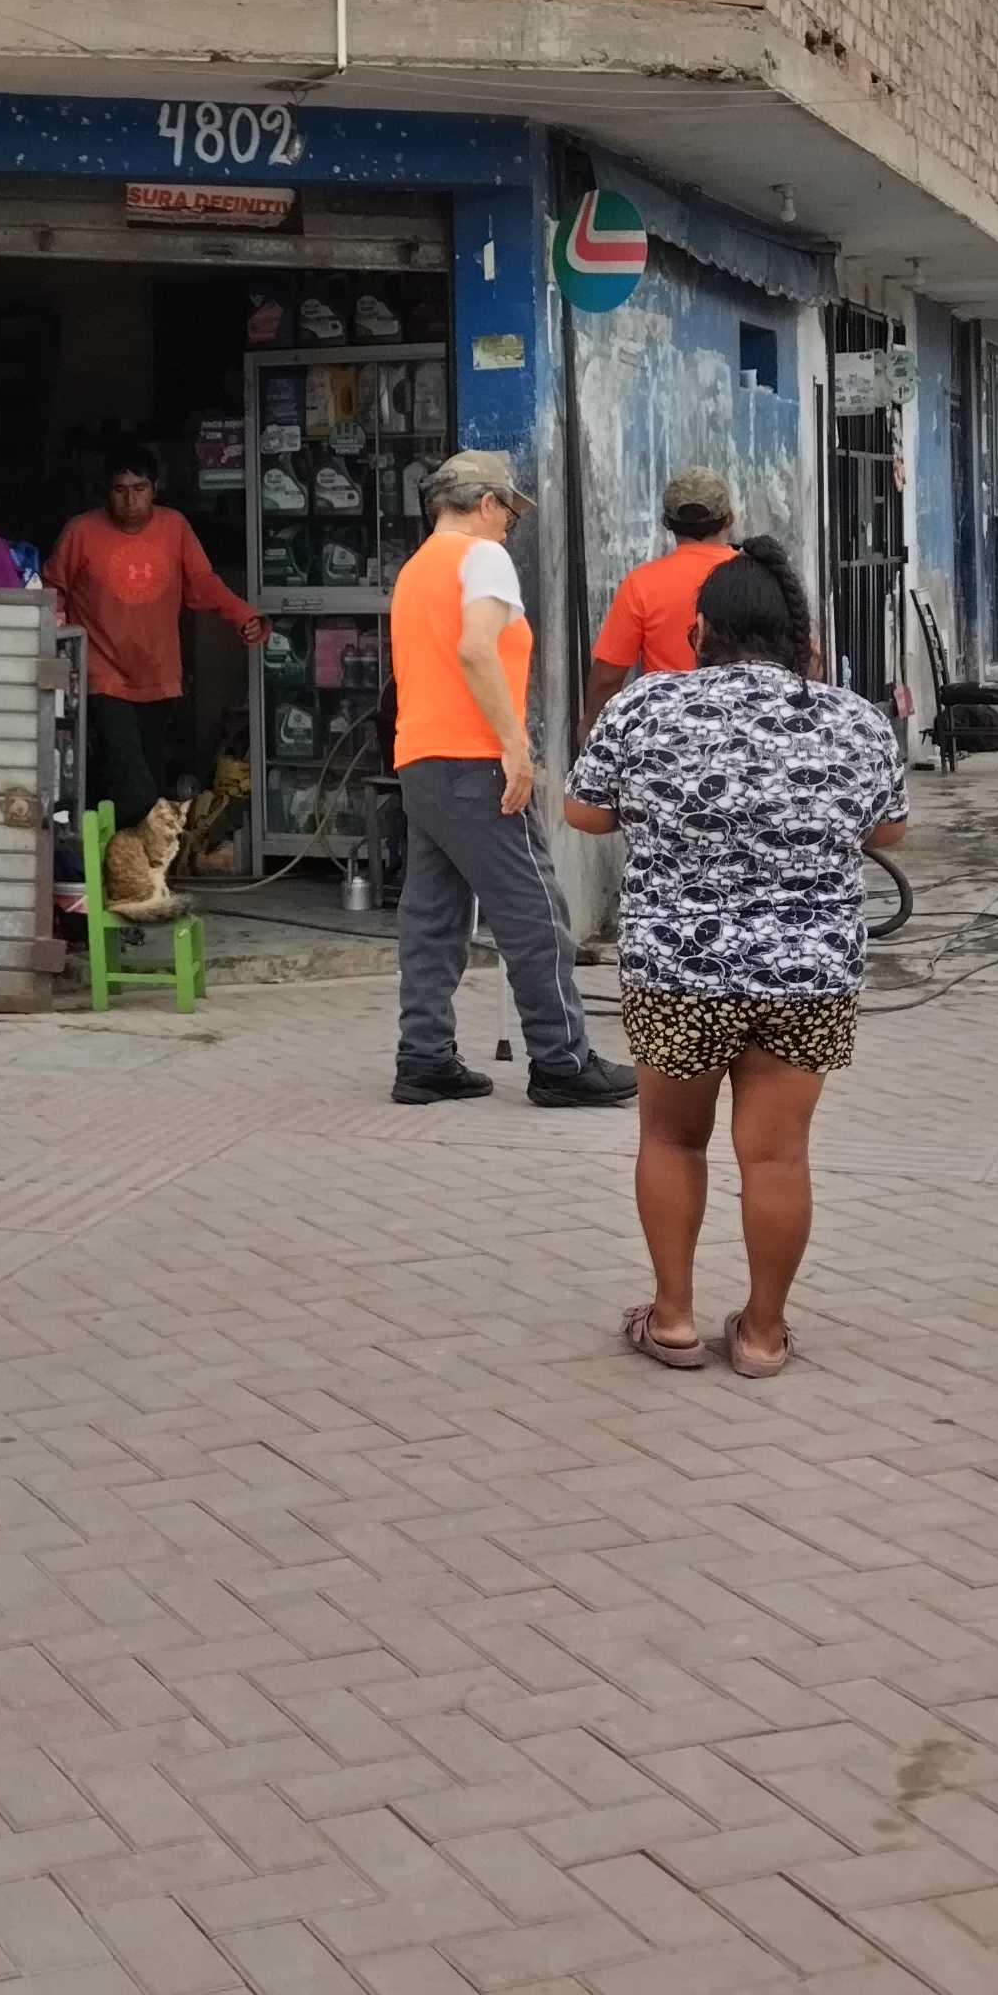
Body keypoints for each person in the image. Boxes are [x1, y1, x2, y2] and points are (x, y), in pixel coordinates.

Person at [563, 535, 908, 1378]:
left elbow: (585, 814)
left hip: (679, 969)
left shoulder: (646, 706)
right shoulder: (853, 719)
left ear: (700, 632)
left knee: (671, 1139)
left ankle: (674, 1319)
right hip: (808, 974)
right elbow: (889, 830)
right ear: (801, 638)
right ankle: (762, 1334)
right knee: (777, 1155)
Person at [388, 451, 635, 1110]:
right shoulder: (483, 558)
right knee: (534, 913)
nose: (509, 526)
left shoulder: (415, 571)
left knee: (432, 917)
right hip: (476, 761)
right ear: (487, 503)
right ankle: (562, 1060)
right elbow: (475, 649)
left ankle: (425, 1057)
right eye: (509, 513)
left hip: (420, 759)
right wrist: (515, 745)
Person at [49, 438, 266, 835]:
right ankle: (145, 850)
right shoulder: (81, 532)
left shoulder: (174, 527)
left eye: (139, 489)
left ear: (155, 487)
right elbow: (52, 589)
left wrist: (243, 615)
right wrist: (57, 635)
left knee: (144, 767)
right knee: (132, 776)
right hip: (101, 672)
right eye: (120, 490)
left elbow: (202, 583)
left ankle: (125, 855)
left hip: (157, 673)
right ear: (106, 492)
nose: (130, 500)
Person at [580, 465, 736, 736]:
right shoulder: (758, 576)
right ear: (729, 519)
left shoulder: (641, 584)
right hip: (741, 730)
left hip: (666, 737)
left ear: (667, 523)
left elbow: (608, 678)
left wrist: (590, 727)